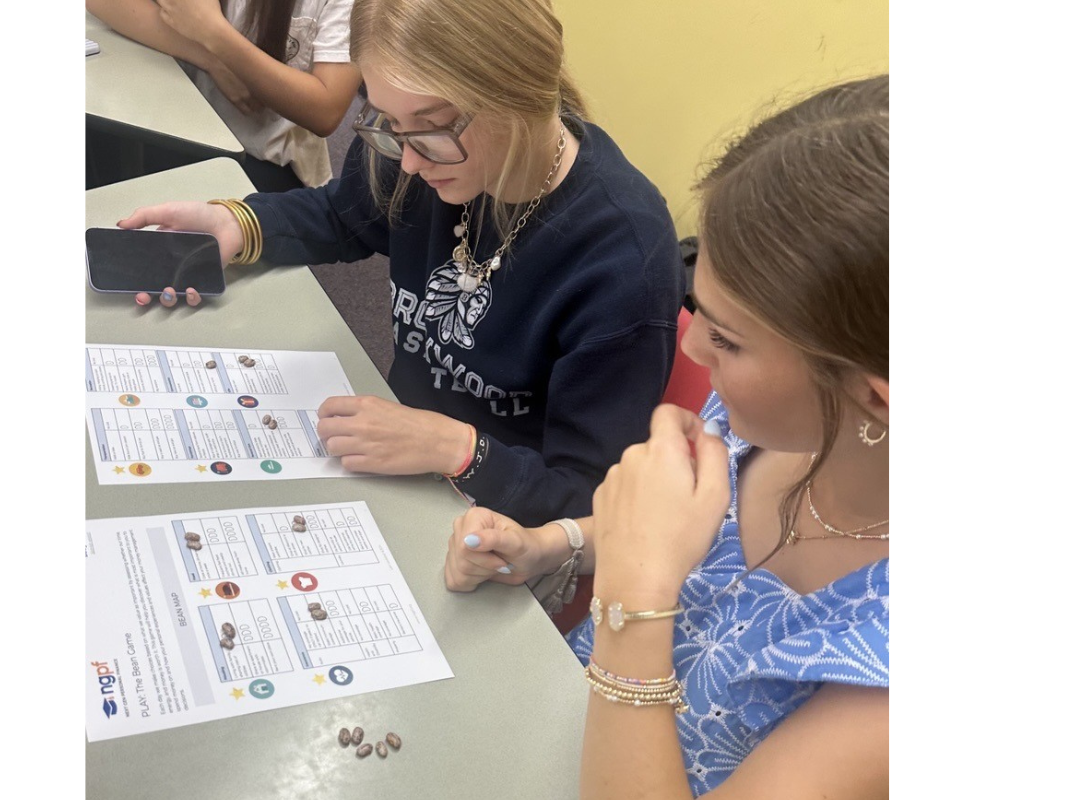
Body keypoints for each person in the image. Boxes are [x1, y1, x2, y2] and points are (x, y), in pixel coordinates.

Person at [443, 75, 889, 798]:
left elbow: (652, 569)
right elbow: (678, 533)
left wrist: (634, 596)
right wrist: (556, 543)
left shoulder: (889, 683)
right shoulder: (767, 426)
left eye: (728, 340)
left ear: (873, 397)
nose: (691, 354)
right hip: (555, 722)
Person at [113, 0, 685, 528]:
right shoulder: (414, 141)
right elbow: (345, 216)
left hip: (504, 519)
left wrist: (456, 448)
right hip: (396, 456)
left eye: (431, 129)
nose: (408, 162)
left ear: (521, 93)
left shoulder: (622, 260)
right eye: (386, 120)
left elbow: (590, 498)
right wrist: (240, 224)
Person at [86, 0, 362, 190]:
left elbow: (326, 110)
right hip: (169, 117)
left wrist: (214, 33)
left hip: (261, 154)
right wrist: (213, 59)